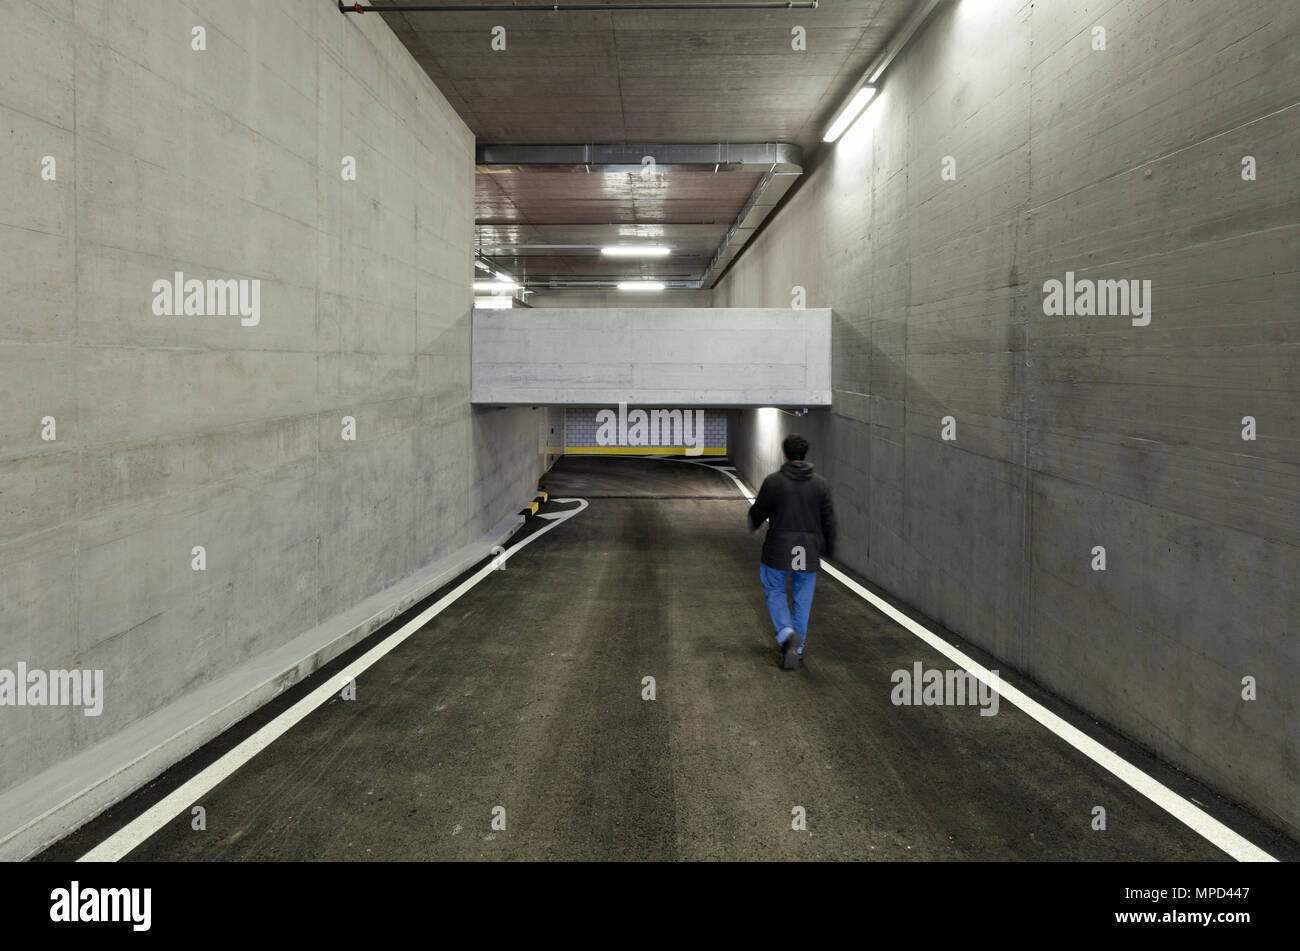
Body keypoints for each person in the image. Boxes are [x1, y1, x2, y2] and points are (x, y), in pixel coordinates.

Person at [747, 433, 836, 670]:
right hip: (808, 551)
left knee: (774, 590)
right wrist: (828, 548)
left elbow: (759, 509)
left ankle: (786, 635)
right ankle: (797, 647)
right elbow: (828, 520)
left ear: (784, 454)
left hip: (778, 549)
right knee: (802, 600)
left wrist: (755, 524)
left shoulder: (774, 481)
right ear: (804, 455)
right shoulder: (820, 484)